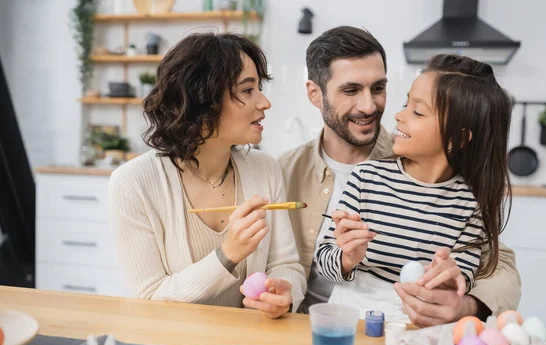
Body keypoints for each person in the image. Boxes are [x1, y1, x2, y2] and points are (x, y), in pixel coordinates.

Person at [278, 26, 521, 326]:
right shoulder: (285, 173)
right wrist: (344, 258)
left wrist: (460, 296)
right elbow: (283, 264)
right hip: (323, 326)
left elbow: (496, 267)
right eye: (351, 90)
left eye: (378, 88)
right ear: (315, 94)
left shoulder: (464, 197)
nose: (371, 106)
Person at [108, 33, 306, 318]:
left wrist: (284, 294)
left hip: (251, 344)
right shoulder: (133, 183)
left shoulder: (265, 169)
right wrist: (227, 255)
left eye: (258, 89)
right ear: (204, 100)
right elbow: (148, 299)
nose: (264, 103)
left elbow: (287, 264)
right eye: (247, 90)